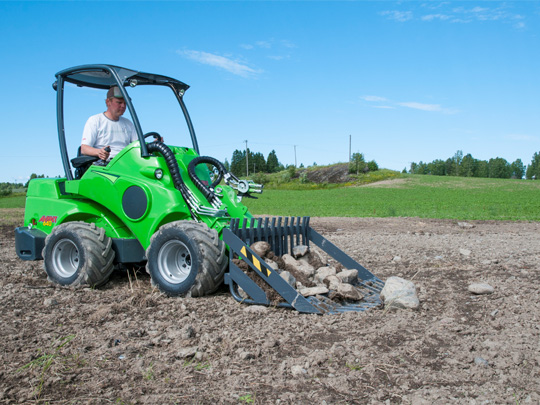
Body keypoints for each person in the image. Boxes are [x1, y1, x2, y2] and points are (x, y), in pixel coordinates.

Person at [81, 86, 138, 162]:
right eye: (119, 102)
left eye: (125, 103)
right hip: (104, 164)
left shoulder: (128, 123)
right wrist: (99, 152)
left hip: (125, 163)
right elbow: (84, 149)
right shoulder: (95, 120)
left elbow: (137, 146)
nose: (123, 106)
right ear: (108, 102)